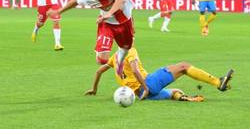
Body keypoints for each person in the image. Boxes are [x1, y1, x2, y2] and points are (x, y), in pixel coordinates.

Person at [48, 0, 134, 76]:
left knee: (126, 48)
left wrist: (109, 13)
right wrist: (58, 11)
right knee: (102, 61)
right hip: (107, 24)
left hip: (125, 22)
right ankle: (101, 51)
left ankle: (119, 62)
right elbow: (74, 2)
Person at [85, 47, 234, 101]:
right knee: (183, 66)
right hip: (147, 85)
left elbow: (99, 71)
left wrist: (94, 89)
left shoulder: (115, 56)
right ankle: (217, 83)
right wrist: (146, 87)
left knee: (176, 92)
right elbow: (136, 70)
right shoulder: (130, 50)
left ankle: (181, 97)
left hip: (138, 95)